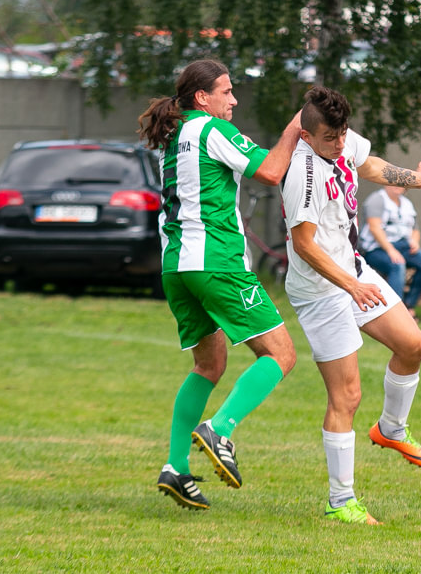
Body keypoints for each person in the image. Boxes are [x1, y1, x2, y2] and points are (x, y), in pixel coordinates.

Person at [137, 60, 301, 511]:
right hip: (216, 263)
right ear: (201, 98)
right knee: (281, 354)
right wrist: (295, 126)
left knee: (209, 366)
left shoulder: (174, 136)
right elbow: (269, 170)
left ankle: (175, 466)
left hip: (176, 266)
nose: (233, 100)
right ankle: (220, 427)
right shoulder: (211, 129)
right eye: (226, 91)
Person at [281, 86, 421, 525]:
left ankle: (390, 429)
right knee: (346, 395)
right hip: (320, 289)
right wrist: (350, 286)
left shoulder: (342, 142)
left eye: (343, 133)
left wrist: (414, 178)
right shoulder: (302, 174)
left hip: (353, 271)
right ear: (308, 137)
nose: (340, 143)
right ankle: (340, 501)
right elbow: (304, 245)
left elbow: (367, 163)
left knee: (412, 345)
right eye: (330, 137)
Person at [359, 186, 421, 321]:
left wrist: (415, 241)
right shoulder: (376, 200)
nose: (398, 187)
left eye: (401, 184)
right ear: (386, 183)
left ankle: (409, 305)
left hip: (403, 245)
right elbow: (375, 228)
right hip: (375, 248)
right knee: (397, 265)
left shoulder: (407, 204)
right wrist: (390, 250)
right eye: (394, 183)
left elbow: (415, 228)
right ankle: (396, 313)